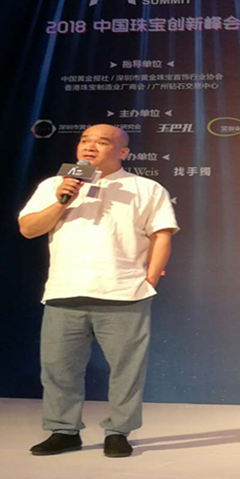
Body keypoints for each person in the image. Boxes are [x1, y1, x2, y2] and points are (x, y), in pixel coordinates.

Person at [18, 124, 178, 457]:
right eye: (84, 140)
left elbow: (161, 234)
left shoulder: (146, 188)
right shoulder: (55, 185)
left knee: (126, 370)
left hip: (124, 292)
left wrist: (150, 279)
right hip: (65, 290)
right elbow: (29, 229)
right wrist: (62, 201)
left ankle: (118, 432)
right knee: (59, 369)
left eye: (102, 142)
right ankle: (64, 431)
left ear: (123, 152)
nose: (89, 147)